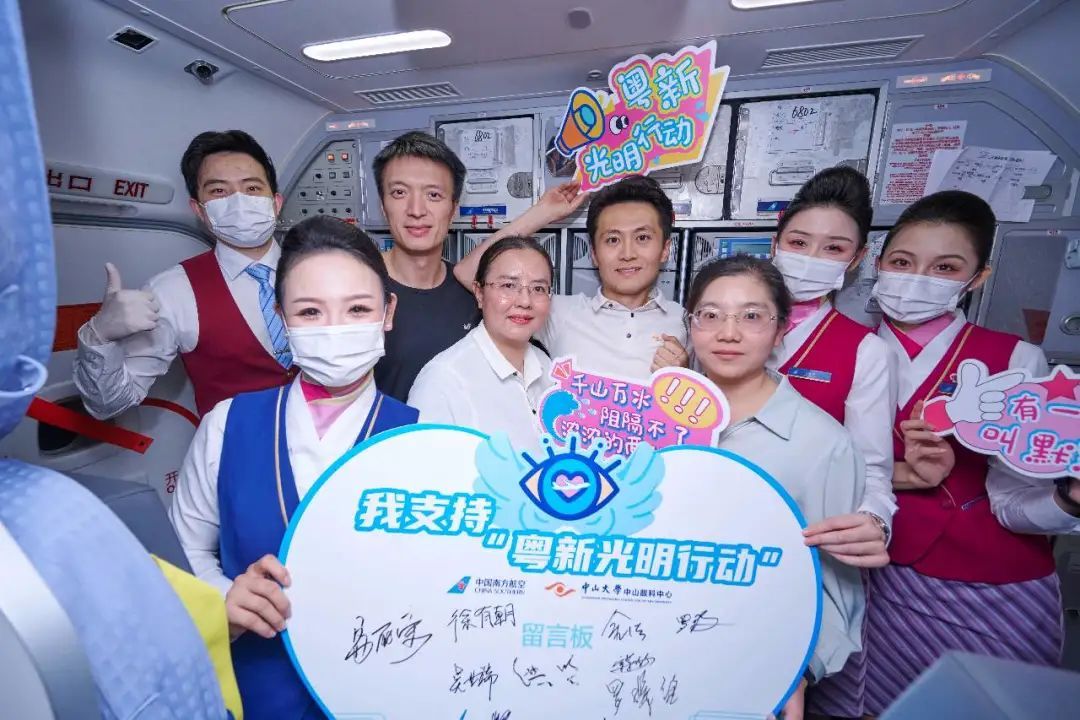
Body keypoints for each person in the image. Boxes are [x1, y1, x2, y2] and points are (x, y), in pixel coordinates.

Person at [168, 216, 418, 719]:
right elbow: (183, 550)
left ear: (387, 312)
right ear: (281, 318)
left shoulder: (422, 439)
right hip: (253, 688)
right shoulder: (228, 424)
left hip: (378, 693)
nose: (335, 329)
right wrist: (223, 600)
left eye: (357, 309)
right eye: (309, 311)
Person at [864, 190, 1080, 715]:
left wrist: (1070, 501)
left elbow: (1013, 504)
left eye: (945, 267)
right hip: (870, 575)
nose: (918, 279)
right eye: (902, 262)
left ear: (976, 278)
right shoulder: (847, 350)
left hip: (986, 585)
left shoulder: (1013, 360)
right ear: (877, 265)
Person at [686, 255, 865, 720]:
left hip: (756, 663)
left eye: (751, 316)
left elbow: (835, 588)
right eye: (710, 315)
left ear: (781, 329)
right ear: (690, 324)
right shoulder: (657, 422)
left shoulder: (822, 443)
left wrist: (796, 671)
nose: (728, 333)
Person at [767, 168, 895, 718]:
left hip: (808, 547)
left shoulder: (865, 350)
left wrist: (876, 520)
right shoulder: (714, 327)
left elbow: (874, 469)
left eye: (834, 248)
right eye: (799, 243)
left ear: (857, 259)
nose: (812, 258)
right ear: (776, 242)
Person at [74, 130, 297, 418]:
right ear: (199, 210)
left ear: (275, 203)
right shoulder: (170, 291)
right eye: (219, 191)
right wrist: (99, 336)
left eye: (252, 188)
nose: (239, 201)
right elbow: (109, 404)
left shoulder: (323, 269)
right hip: (233, 443)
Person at [456, 174, 688, 380]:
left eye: (643, 238)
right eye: (613, 240)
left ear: (665, 249)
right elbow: (467, 272)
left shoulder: (685, 322)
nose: (627, 254)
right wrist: (543, 213)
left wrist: (687, 380)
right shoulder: (559, 312)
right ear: (594, 254)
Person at [409, 236, 555, 451]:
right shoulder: (443, 381)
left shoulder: (546, 365)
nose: (525, 301)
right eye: (508, 285)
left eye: (539, 288)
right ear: (479, 293)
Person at [370, 131, 481, 401]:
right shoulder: (356, 289)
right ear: (383, 206)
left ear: (453, 210)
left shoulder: (470, 293)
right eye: (399, 193)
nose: (416, 210)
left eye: (433, 195)